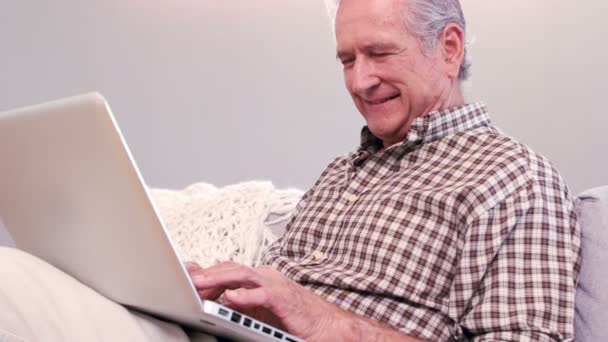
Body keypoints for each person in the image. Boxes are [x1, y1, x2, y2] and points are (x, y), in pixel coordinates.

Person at [185, 0, 581, 341]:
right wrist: (215, 296)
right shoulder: (340, 173)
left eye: (380, 54)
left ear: (449, 48)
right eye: (348, 60)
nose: (360, 81)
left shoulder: (512, 177)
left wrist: (325, 321)